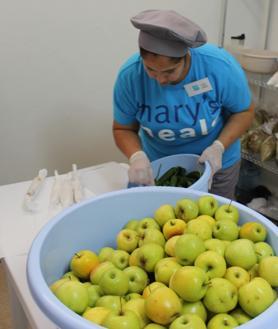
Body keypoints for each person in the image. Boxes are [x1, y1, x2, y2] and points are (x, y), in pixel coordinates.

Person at [112, 9, 254, 199]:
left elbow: (244, 111)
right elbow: (123, 129)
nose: (160, 80)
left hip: (217, 166)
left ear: (186, 56)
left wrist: (219, 147)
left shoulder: (219, 67)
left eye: (169, 71)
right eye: (151, 70)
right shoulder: (130, 76)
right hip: (162, 170)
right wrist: (137, 156)